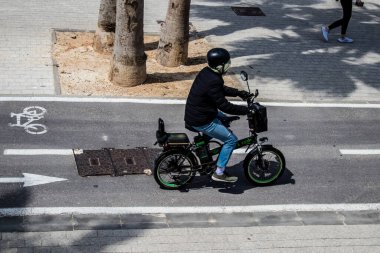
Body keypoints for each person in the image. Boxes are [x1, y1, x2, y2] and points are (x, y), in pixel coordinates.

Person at [184, 48, 250, 183]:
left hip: (196, 113)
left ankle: (203, 149)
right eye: (227, 63)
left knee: (224, 119)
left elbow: (220, 89)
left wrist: (238, 93)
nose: (229, 65)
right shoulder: (214, 80)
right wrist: (247, 111)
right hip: (201, 119)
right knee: (231, 140)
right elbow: (224, 105)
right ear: (220, 65)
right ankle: (219, 173)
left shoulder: (207, 72)